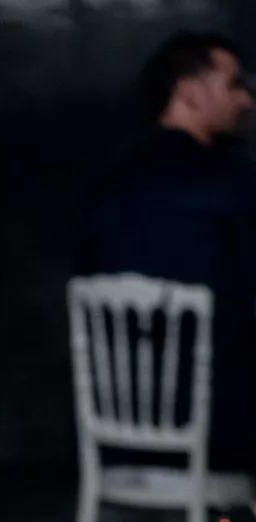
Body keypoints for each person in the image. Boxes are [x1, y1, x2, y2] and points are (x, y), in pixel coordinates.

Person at [80, 29, 256, 473]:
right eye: (234, 84)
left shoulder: (111, 180)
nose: (246, 100)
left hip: (119, 430)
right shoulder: (231, 182)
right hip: (219, 433)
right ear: (189, 90)